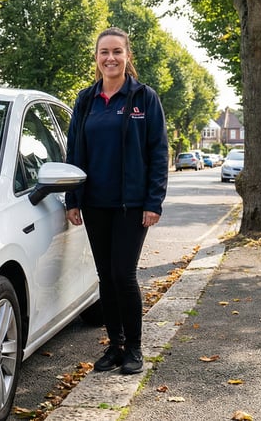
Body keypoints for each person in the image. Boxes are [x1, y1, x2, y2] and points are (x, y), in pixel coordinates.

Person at [64, 27, 168, 375]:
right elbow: (74, 151)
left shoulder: (144, 98)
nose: (110, 58)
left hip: (131, 205)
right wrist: (72, 198)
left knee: (123, 275)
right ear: (96, 57)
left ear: (127, 56)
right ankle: (115, 345)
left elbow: (158, 152)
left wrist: (154, 201)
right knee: (105, 277)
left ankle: (134, 348)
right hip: (95, 203)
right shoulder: (86, 99)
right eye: (104, 52)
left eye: (117, 52)